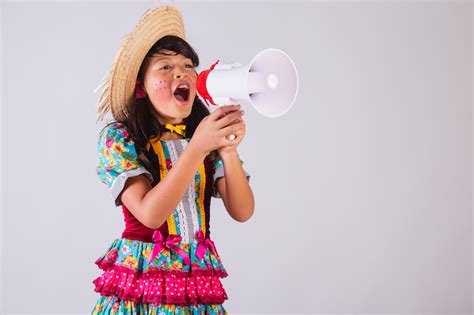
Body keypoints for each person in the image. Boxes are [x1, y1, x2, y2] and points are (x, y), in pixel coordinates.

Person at [91, 6, 254, 314]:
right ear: (140, 84)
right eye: (165, 66)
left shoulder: (204, 133)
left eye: (188, 64)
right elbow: (150, 215)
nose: (181, 72)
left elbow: (243, 210)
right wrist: (197, 149)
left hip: (195, 278)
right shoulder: (120, 137)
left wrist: (228, 150)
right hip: (144, 279)